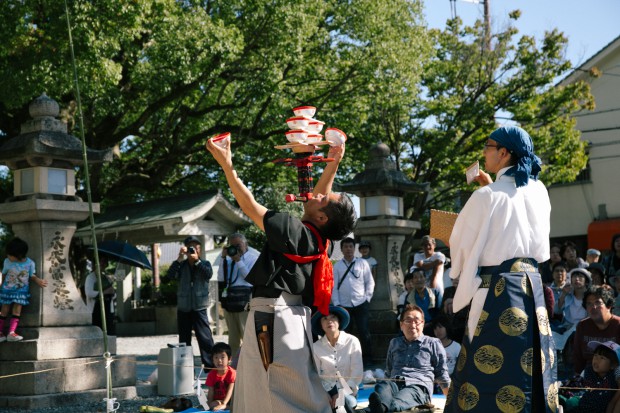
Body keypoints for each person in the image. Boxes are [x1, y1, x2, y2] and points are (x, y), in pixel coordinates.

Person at [206, 136, 356, 413]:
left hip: (272, 318)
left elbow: (250, 207)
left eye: (323, 198)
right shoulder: (322, 240)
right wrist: (334, 161)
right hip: (291, 318)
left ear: (322, 219)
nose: (318, 193)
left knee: (269, 390)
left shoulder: (296, 231)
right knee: (293, 389)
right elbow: (320, 201)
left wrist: (227, 166)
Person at [445, 126, 556, 412]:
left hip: (497, 290)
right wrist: (488, 188)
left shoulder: (485, 197)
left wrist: (461, 272)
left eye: (488, 145)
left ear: (504, 153)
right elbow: (538, 247)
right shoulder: (539, 190)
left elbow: (460, 244)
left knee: (484, 372)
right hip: (532, 288)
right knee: (533, 366)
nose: (484, 151)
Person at [367, 304, 450, 413]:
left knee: (395, 401)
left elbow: (442, 374)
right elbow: (389, 370)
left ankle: (374, 409)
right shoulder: (395, 343)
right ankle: (377, 407)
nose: (413, 324)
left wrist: (451, 400)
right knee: (382, 387)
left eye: (417, 321)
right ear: (401, 325)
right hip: (394, 384)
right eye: (408, 321)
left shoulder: (433, 343)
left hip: (418, 388)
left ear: (423, 324)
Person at [164, 236, 215, 369]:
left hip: (199, 307)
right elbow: (167, 277)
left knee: (205, 339)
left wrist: (197, 261)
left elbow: (208, 274)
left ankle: (210, 368)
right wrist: (179, 259)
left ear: (200, 249)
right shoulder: (181, 266)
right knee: (184, 340)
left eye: (197, 247)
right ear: (186, 249)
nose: (194, 249)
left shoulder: (205, 263)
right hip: (184, 307)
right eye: (191, 247)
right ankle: (186, 368)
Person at [331, 237, 375, 366]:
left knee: (364, 331)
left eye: (351, 246)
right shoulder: (338, 266)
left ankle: (367, 360)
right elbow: (334, 286)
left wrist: (367, 298)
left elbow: (370, 282)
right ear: (342, 249)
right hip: (344, 305)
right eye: (346, 247)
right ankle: (346, 360)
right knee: (345, 334)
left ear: (354, 248)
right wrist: (337, 303)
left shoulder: (362, 263)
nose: (348, 249)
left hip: (361, 303)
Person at [312, 306, 363, 413]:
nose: (329, 321)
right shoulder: (316, 347)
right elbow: (315, 375)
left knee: (345, 404)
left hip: (348, 390)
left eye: (333, 317)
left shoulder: (352, 341)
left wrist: (341, 394)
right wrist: (326, 395)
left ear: (339, 321)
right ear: (321, 325)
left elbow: (357, 373)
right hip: (325, 392)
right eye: (324, 318)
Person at [216, 232, 259, 357]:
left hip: (245, 302)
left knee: (247, 335)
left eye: (238, 245)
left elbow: (250, 278)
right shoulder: (228, 260)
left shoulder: (253, 258)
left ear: (245, 244)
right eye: (233, 245)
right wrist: (223, 258)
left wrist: (239, 261)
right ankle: (234, 367)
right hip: (230, 302)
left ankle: (251, 363)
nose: (236, 248)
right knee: (232, 339)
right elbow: (221, 278)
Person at [0, 237, 48, 342]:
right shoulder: (7, 262)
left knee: (17, 311)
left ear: (19, 255)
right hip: (7, 291)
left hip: (21, 292)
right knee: (3, 311)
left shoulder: (29, 263)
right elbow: (3, 274)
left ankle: (11, 333)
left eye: (10, 255)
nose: (8, 256)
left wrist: (38, 280)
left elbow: (31, 275)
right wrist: (1, 285)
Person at [560, 341, 620, 413]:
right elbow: (574, 383)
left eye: (602, 358)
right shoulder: (588, 371)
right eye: (595, 355)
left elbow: (613, 402)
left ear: (613, 365)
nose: (596, 360)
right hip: (582, 409)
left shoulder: (614, 376)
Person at [572, 287, 620, 375]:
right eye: (589, 304)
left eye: (598, 302)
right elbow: (578, 357)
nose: (593, 307)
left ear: (608, 306)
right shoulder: (582, 326)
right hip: (589, 375)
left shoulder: (618, 325)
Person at [84, 255, 116, 335]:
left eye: (105, 262)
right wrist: (104, 292)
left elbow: (113, 295)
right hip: (96, 311)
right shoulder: (90, 277)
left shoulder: (106, 278)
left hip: (108, 310)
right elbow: (89, 293)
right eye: (101, 261)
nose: (103, 264)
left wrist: (112, 292)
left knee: (109, 333)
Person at [410, 235, 445, 306]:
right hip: (421, 288)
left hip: (436, 287)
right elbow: (422, 267)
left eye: (429, 244)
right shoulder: (418, 256)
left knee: (437, 307)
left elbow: (435, 272)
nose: (427, 247)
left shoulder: (439, 255)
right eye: (425, 245)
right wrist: (435, 263)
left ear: (434, 245)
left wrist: (433, 286)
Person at [205, 342, 236, 411]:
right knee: (213, 404)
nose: (219, 360)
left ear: (229, 359)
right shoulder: (211, 374)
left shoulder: (232, 373)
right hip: (218, 401)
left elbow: (230, 390)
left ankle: (227, 407)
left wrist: (224, 403)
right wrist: (209, 405)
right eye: (216, 357)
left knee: (234, 405)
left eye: (222, 357)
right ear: (212, 359)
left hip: (230, 400)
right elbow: (211, 391)